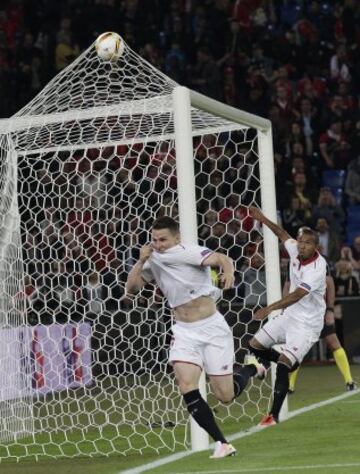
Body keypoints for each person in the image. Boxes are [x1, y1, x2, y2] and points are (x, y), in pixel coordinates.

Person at [126, 216, 265, 458]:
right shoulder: (152, 259)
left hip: (212, 329)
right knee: (186, 385)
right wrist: (140, 262)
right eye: (154, 240)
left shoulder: (188, 252)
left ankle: (252, 368)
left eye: (163, 240)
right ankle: (222, 443)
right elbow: (132, 289)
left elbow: (222, 258)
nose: (158, 245)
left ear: (176, 238)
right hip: (183, 331)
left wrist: (229, 272)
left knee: (225, 396)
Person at [248, 207, 327, 426]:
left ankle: (272, 416)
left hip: (307, 324)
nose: (301, 245)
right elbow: (282, 234)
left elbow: (297, 294)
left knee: (282, 363)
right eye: (300, 241)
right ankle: (286, 365)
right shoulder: (295, 250)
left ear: (316, 246)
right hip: (289, 316)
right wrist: (262, 219)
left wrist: (269, 308)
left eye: (307, 243)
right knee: (254, 345)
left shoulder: (318, 268)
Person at [286, 255, 357, 393]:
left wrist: (330, 310)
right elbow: (287, 286)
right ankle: (289, 386)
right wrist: (285, 309)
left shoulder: (320, 261)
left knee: (333, 343)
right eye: (301, 241)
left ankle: (349, 381)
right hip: (299, 313)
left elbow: (329, 284)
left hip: (318, 312)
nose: (303, 245)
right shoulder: (293, 261)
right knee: (296, 348)